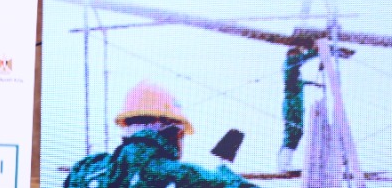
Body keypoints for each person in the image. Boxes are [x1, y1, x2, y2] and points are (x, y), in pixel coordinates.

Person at [65, 80, 259, 188]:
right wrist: (226, 176)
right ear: (170, 131)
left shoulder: (86, 169)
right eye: (181, 134)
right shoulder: (182, 176)